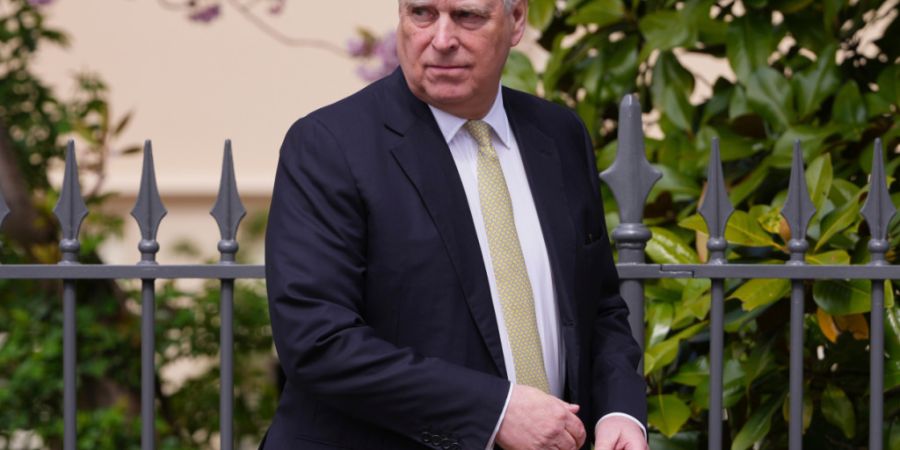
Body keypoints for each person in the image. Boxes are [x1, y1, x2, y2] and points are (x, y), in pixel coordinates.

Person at [262, 0, 647, 449]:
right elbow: (318, 341)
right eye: (422, 13)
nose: (441, 40)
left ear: (517, 20)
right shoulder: (329, 145)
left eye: (468, 16)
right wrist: (495, 412)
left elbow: (598, 305)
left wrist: (619, 411)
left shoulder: (559, 134)